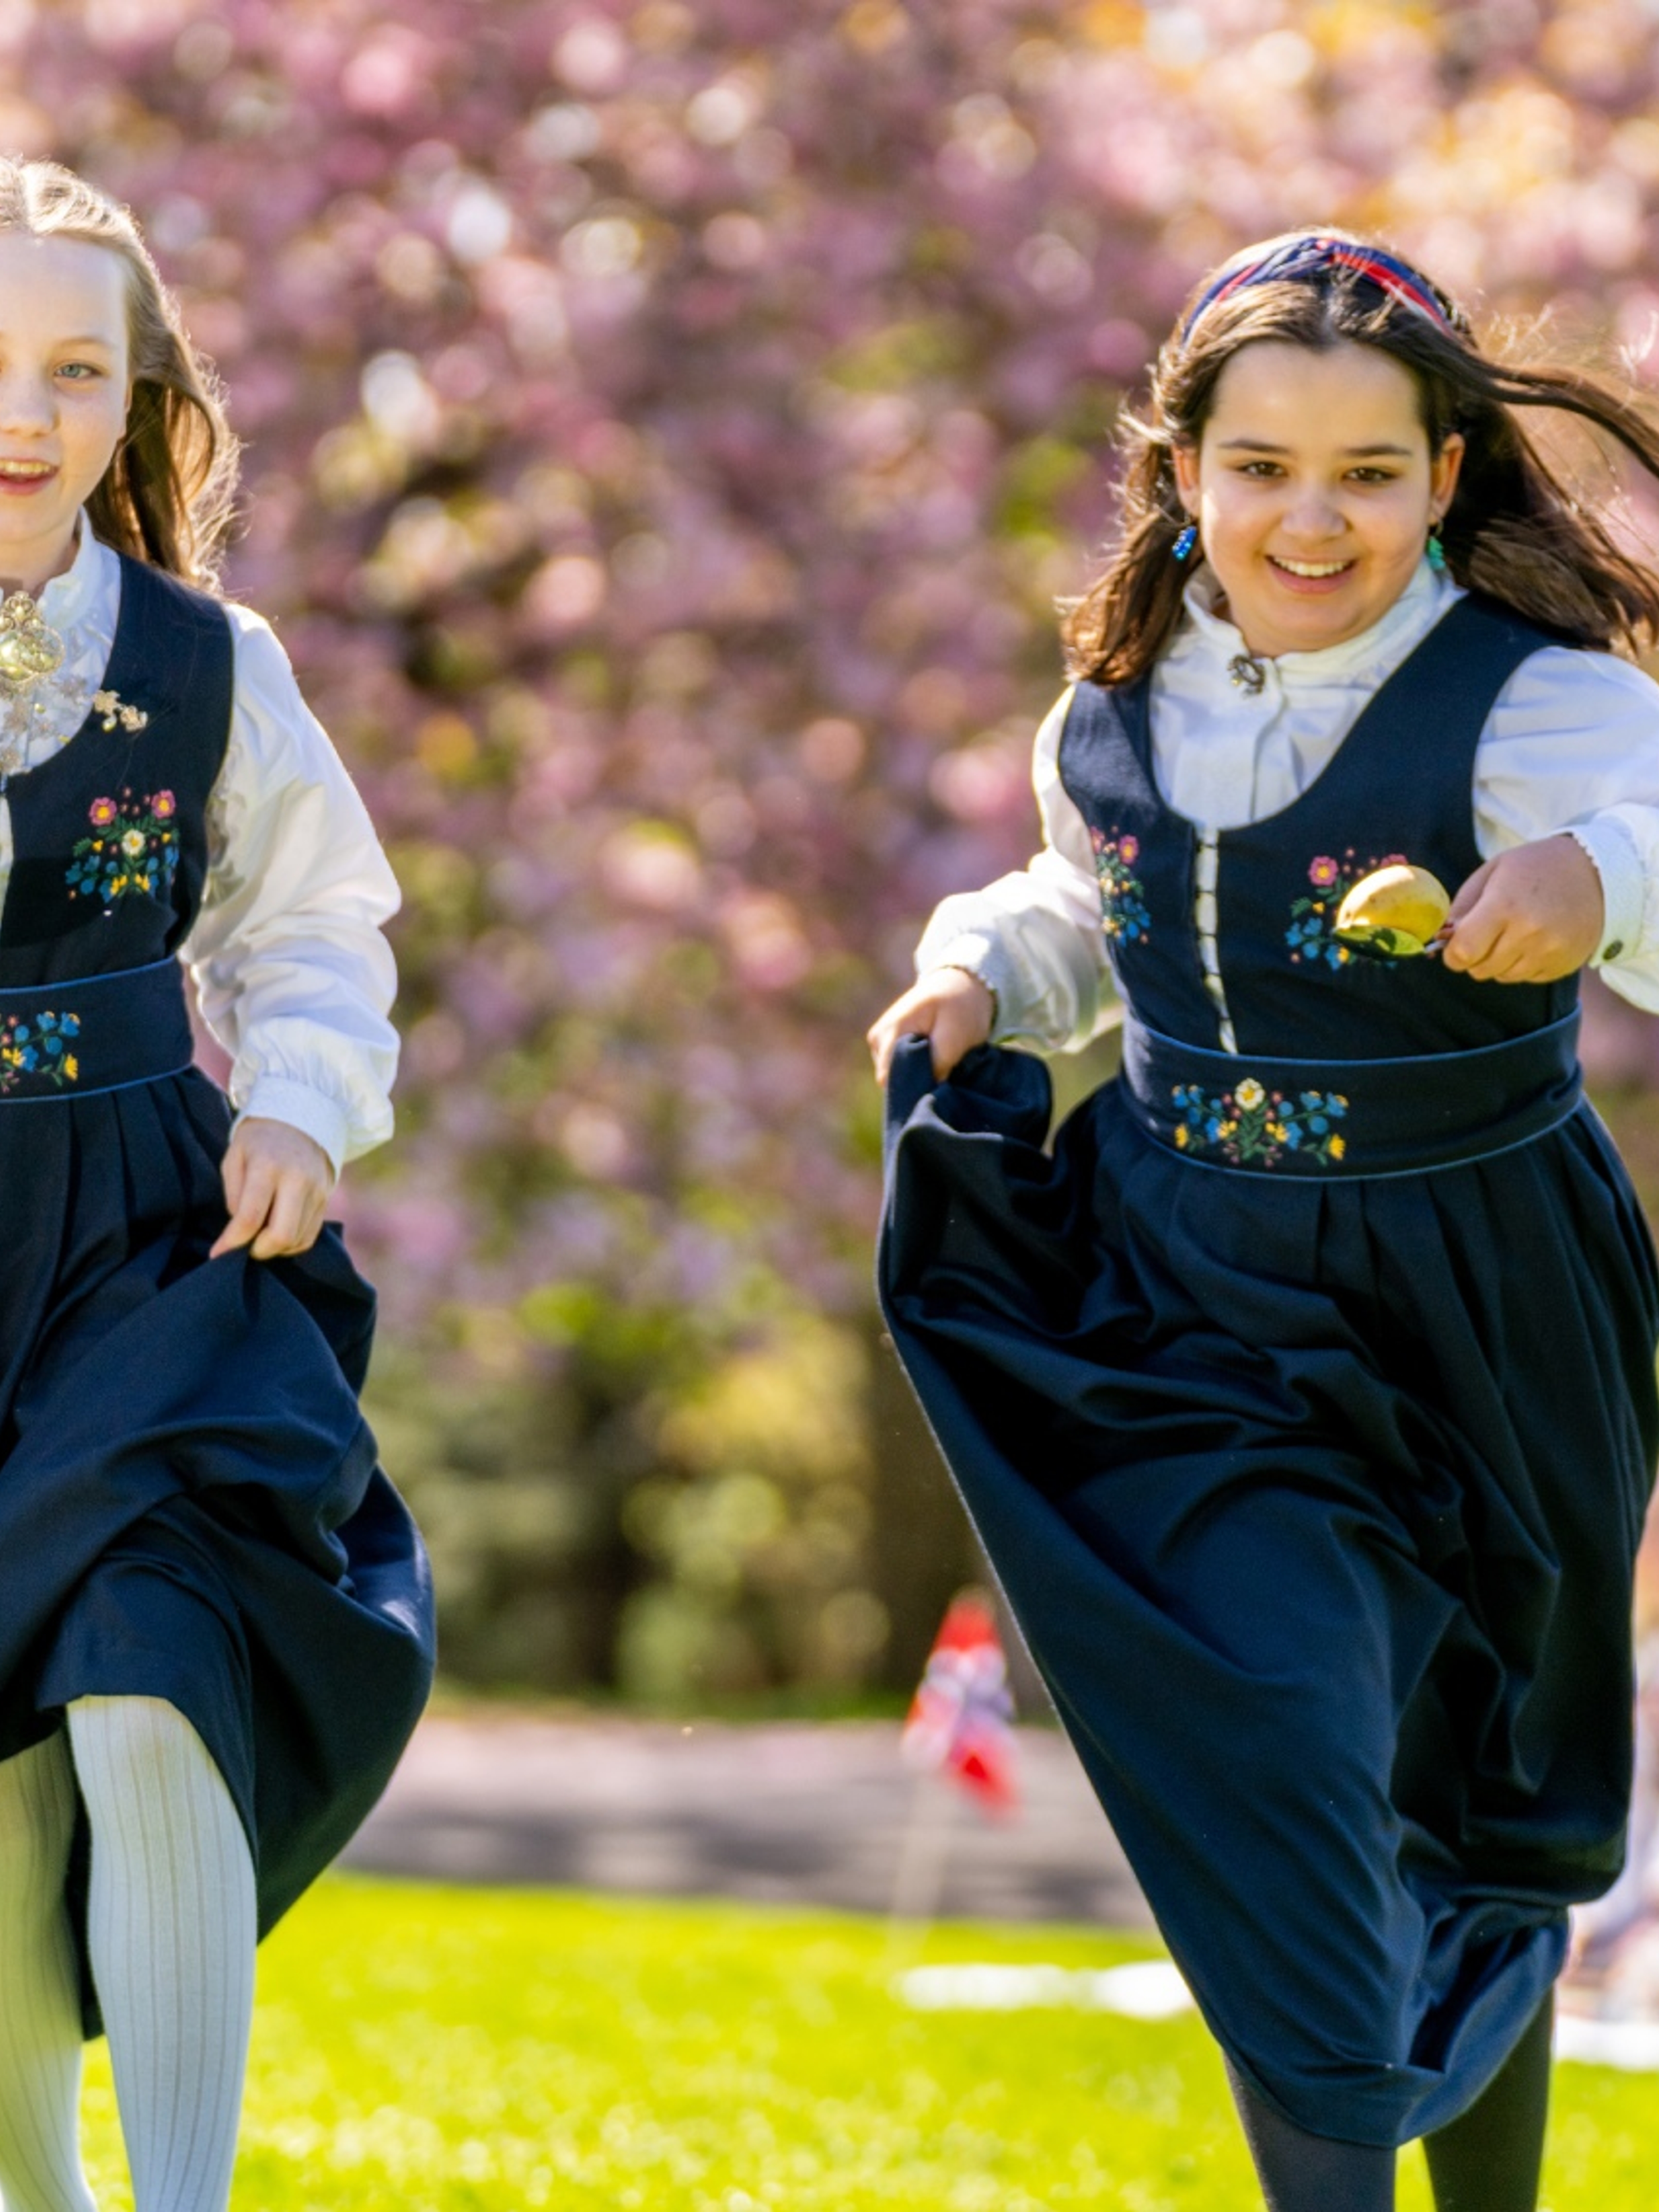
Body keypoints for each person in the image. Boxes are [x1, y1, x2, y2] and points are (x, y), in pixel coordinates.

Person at [869, 229, 1659, 2212]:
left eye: (1371, 474)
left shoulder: (1537, 703)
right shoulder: (1111, 711)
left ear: (1446, 478)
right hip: (1188, 1292)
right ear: (1181, 467)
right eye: (1264, 466)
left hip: (1483, 1286)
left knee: (1477, 1794)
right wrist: (982, 966)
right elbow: (1090, 912)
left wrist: (1594, 874)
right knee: (1289, 1751)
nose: (1313, 519)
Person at [0, 158, 434, 2211]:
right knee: (3, 1778)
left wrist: (302, 1103)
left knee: (151, 1673)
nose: (27, 413)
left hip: (144, 1248)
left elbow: (323, 917)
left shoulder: (206, 662)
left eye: (75, 369)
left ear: (136, 398)